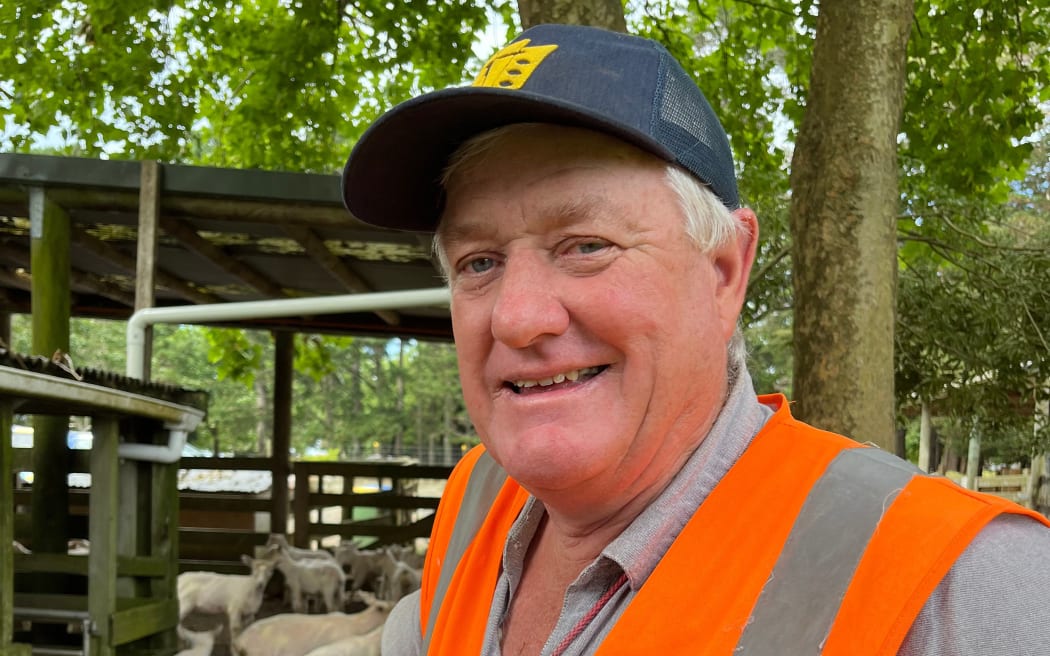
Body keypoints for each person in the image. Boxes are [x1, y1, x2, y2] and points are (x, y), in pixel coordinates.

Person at [341, 23, 1050, 656]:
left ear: (723, 272)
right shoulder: (475, 503)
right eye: (479, 263)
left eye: (586, 245)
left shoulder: (963, 587)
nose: (517, 318)